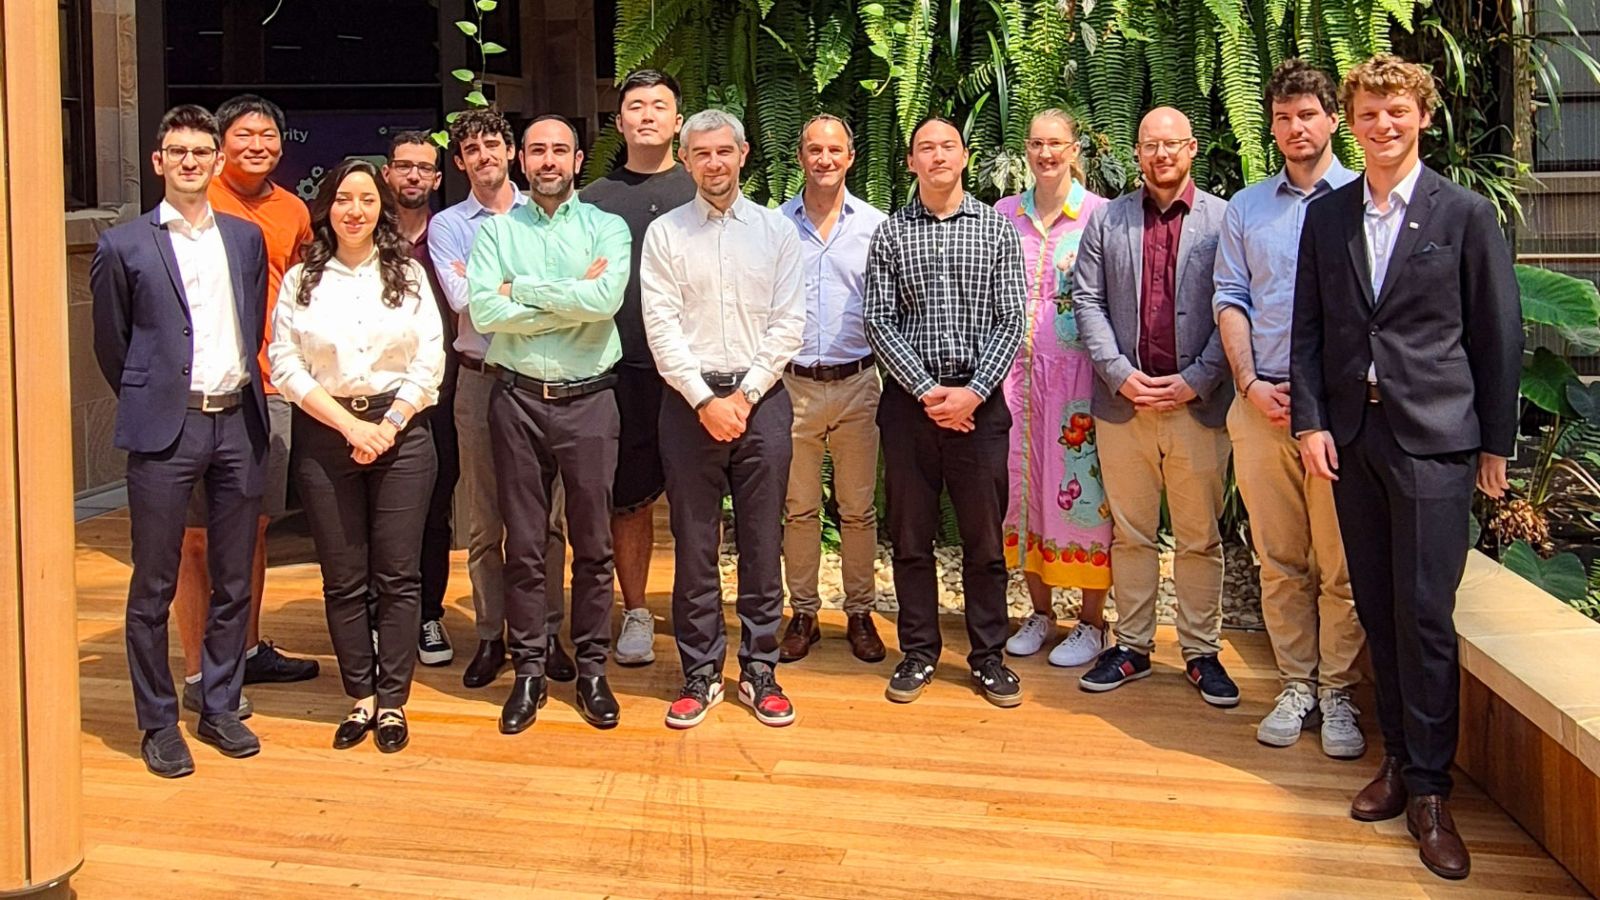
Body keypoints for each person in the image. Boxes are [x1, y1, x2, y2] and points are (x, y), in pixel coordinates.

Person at [1292, 53, 1521, 880]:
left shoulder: (1462, 214)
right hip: (1355, 440)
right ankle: (1396, 762)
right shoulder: (1328, 218)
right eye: (1368, 114)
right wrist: (1313, 423)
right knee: (1379, 608)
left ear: (1421, 117)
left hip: (1436, 442)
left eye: (1397, 112)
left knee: (1425, 613)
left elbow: (1497, 333)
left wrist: (1496, 444)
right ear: (1350, 122)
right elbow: (1309, 333)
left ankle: (1431, 790)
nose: (1382, 126)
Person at [91, 105, 269, 777]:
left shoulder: (245, 240)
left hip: (236, 423)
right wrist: (155, 397)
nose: (191, 161)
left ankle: (218, 702)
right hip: (168, 429)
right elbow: (114, 345)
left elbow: (251, 325)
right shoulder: (124, 245)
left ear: (218, 161)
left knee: (232, 578)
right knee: (154, 583)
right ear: (159, 161)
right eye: (178, 151)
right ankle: (158, 721)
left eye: (202, 151)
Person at [1212, 59, 1367, 758]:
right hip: (1260, 402)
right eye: (1281, 117)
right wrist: (1247, 383)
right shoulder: (1247, 207)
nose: (1294, 127)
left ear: (1333, 120)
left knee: (1340, 563)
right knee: (1279, 559)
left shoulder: (1366, 201)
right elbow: (1231, 298)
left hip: (1337, 414)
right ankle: (1296, 682)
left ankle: (1338, 692)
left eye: (1307, 113)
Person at [269, 159, 445, 754]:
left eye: (367, 200)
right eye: (344, 198)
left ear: (381, 208)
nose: (355, 210)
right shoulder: (302, 280)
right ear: (328, 206)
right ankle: (360, 696)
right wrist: (349, 425)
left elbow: (430, 359)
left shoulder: (408, 275)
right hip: (326, 433)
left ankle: (393, 701)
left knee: (398, 575)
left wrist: (387, 425)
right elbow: (286, 363)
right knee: (344, 578)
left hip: (403, 431)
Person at [641, 109, 805, 729]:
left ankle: (760, 670)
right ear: (686, 161)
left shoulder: (774, 232)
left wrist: (747, 393)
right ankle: (701, 671)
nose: (713, 163)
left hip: (762, 402)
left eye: (723, 152)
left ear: (743, 154)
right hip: (688, 408)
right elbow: (660, 327)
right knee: (694, 543)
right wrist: (705, 401)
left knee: (764, 541)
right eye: (700, 153)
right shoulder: (666, 236)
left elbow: (788, 321)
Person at [468, 115, 631, 733]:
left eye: (558, 150)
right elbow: (486, 309)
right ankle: (530, 670)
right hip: (516, 402)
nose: (547, 161)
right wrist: (566, 295)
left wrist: (524, 291)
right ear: (521, 161)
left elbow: (606, 302)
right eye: (537, 151)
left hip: (589, 400)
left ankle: (592, 669)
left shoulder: (607, 228)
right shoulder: (496, 233)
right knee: (525, 545)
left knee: (593, 544)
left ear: (578, 158)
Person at [1072, 107, 1237, 706]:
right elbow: (1086, 300)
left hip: (1197, 404)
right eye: (1149, 145)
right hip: (1127, 407)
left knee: (1198, 537)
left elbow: (1235, 306)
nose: (1161, 154)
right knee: (1132, 535)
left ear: (1192, 148)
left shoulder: (1224, 219)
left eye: (1171, 144)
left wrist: (1198, 378)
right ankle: (1134, 646)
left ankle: (1200, 651)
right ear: (1136, 153)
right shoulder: (1107, 220)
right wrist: (1120, 375)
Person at [864, 117, 1026, 708]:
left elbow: (1012, 319)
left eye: (947, 147)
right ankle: (919, 651)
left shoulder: (995, 230)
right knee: (910, 538)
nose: (936, 156)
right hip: (910, 411)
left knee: (984, 543)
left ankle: (987, 657)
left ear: (964, 157)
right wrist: (929, 392)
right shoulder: (890, 233)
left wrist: (972, 394)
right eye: (924, 148)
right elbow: (878, 321)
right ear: (910, 162)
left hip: (980, 410)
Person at [169, 95, 318, 710]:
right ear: (218, 144)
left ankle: (247, 651)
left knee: (252, 530)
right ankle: (198, 669)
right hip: (197, 390)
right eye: (243, 135)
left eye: (268, 135)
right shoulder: (197, 203)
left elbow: (307, 288)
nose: (257, 145)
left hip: (269, 387)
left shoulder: (294, 211)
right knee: (194, 539)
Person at [429, 108, 574, 689]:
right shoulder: (447, 226)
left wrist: (502, 285)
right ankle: (492, 635)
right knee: (485, 519)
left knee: (550, 517)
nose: (484, 156)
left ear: (511, 152)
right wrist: (534, 288)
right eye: (471, 149)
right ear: (459, 161)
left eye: (493, 145)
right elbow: (465, 297)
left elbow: (575, 291)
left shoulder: (549, 207)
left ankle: (547, 632)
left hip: (547, 373)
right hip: (480, 377)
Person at [581, 69, 698, 666]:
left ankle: (698, 611)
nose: (647, 114)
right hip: (621, 370)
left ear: (678, 120)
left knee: (697, 500)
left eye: (660, 105)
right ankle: (635, 613)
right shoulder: (593, 201)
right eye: (635, 106)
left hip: (699, 377)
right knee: (628, 500)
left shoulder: (701, 190)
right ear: (620, 121)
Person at [995, 109, 1114, 669]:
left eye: (1057, 144)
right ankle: (1038, 611)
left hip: (1078, 381)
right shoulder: (1002, 215)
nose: (1046, 154)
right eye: (1037, 144)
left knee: (1083, 493)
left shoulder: (1101, 217)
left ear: (1075, 150)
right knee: (1022, 490)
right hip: (1013, 380)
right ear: (1027, 150)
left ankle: (1092, 621)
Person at [774, 114, 889, 664]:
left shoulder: (876, 227)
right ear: (801, 157)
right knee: (798, 508)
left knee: (858, 509)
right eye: (814, 149)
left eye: (834, 150)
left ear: (850, 156)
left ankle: (861, 613)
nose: (824, 159)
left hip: (857, 383)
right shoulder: (774, 226)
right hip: (791, 385)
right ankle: (802, 613)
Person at [382, 131, 455, 667]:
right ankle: (377, 614)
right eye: (403, 166)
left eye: (423, 168)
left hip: (442, 397)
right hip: (374, 397)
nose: (413, 176)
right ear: (387, 173)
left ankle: (428, 614)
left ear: (436, 177)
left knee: (432, 510)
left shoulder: (447, 237)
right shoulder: (361, 233)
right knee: (372, 513)